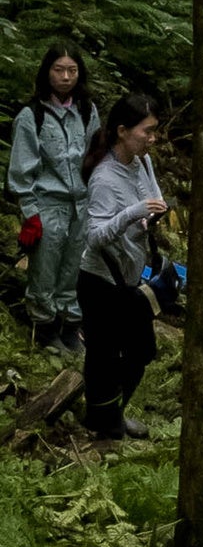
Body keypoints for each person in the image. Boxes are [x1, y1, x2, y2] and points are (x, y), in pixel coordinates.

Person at [77, 94, 168, 441]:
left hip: (129, 278)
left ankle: (113, 413)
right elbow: (95, 235)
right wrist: (133, 214)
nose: (152, 138)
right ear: (122, 131)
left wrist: (151, 216)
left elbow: (151, 197)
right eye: (146, 131)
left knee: (141, 350)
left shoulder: (142, 163)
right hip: (100, 281)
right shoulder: (103, 178)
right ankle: (103, 424)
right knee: (102, 355)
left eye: (154, 131)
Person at [11, 42, 97, 353]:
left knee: (74, 268)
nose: (65, 77)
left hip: (81, 204)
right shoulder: (31, 116)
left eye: (72, 70)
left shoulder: (87, 111)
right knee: (44, 271)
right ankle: (44, 328)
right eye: (58, 70)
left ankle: (71, 325)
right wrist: (30, 212)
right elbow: (21, 170)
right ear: (47, 73)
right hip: (48, 204)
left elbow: (95, 156)